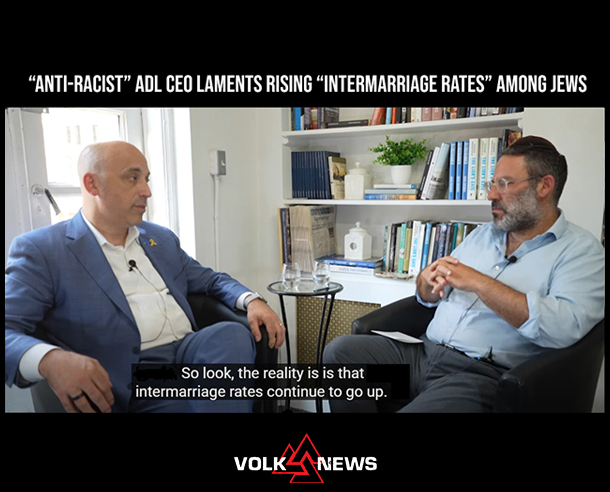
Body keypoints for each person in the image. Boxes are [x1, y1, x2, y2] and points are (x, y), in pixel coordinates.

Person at [323, 136, 605, 412]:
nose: (491, 195)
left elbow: (563, 328)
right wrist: (426, 284)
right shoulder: (483, 235)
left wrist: (480, 283)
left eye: (504, 183)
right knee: (342, 353)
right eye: (491, 184)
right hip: (422, 356)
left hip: (477, 375)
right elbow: (430, 293)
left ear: (544, 186)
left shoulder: (580, 251)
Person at [5, 140, 285, 413]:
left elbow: (210, 280)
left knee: (231, 334)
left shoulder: (160, 238)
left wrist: (252, 300)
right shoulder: (42, 250)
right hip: (128, 375)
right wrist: (50, 360)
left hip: (192, 353)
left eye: (146, 179)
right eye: (132, 178)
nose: (147, 191)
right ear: (92, 184)